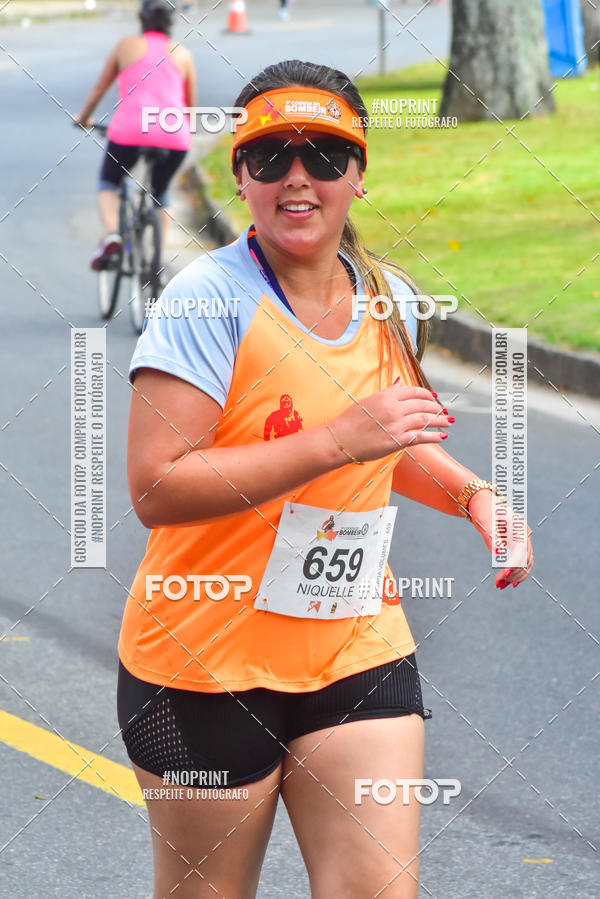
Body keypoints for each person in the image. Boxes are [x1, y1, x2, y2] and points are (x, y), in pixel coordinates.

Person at [117, 59, 534, 898]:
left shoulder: (390, 298)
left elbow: (390, 440)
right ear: (239, 174)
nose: (297, 177)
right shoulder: (208, 301)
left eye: (324, 154)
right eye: (271, 156)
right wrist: (334, 440)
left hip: (354, 642)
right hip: (206, 662)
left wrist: (473, 497)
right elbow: (156, 486)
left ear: (358, 172)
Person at [74, 0, 195, 270]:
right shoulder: (183, 54)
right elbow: (189, 106)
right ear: (171, 25)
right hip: (175, 136)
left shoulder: (126, 46)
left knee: (109, 182)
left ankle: (112, 234)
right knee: (160, 194)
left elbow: (99, 88)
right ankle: (159, 261)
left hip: (129, 132)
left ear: (141, 21)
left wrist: (84, 119)